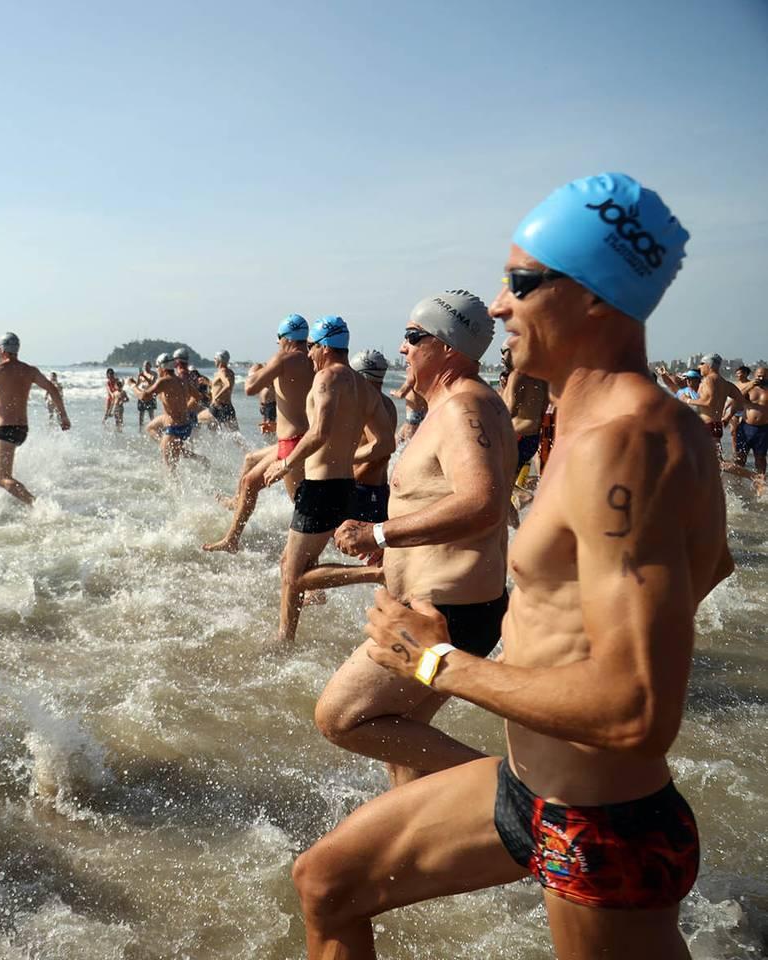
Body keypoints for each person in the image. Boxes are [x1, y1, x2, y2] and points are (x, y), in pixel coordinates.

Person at [294, 173, 724, 960]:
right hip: (527, 784)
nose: (498, 308)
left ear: (594, 296)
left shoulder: (624, 441)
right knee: (327, 884)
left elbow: (636, 713)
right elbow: (714, 562)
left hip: (599, 823)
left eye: (520, 284)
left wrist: (433, 662)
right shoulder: (613, 421)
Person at [315, 294, 514, 788]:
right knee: (401, 736)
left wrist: (379, 531)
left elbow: (483, 503)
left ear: (446, 346)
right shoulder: (459, 405)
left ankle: (510, 786)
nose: (402, 350)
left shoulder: (463, 408)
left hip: (445, 613)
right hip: (451, 608)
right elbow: (460, 501)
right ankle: (414, 844)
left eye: (411, 337)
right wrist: (398, 544)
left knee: (342, 718)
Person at [265, 317, 392, 644]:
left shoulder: (325, 379)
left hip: (320, 488)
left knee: (294, 575)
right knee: (290, 566)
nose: (308, 355)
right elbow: (385, 443)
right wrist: (349, 457)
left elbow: (319, 432)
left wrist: (286, 462)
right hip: (346, 486)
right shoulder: (363, 386)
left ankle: (377, 573)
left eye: (311, 348)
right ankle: (286, 636)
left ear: (323, 346)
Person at [291, 349, 398, 596]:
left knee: (307, 546)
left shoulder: (366, 401)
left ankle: (313, 590)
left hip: (361, 487)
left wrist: (345, 461)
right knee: (370, 552)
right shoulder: (386, 404)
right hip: (378, 491)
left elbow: (380, 452)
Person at [203, 316, 314, 553]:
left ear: (285, 338)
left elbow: (250, 388)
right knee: (250, 459)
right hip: (305, 438)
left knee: (301, 508)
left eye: (278, 341)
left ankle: (233, 540)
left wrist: (257, 370)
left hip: (292, 444)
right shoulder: (315, 358)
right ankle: (236, 503)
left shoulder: (283, 358)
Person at [0, 332, 70, 506]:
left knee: (3, 479)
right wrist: (63, 416)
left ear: (2, 350)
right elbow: (53, 389)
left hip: (6, 430)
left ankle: (38, 506)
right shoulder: (30, 370)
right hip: (21, 430)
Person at [137, 353, 208, 473]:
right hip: (186, 425)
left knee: (170, 468)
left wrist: (133, 385)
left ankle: (178, 490)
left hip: (175, 427)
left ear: (162, 367)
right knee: (150, 428)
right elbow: (199, 396)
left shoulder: (164, 381)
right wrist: (184, 408)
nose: (157, 370)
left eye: (157, 367)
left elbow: (144, 396)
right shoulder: (182, 381)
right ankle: (199, 458)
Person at [501, 345, 548, 487]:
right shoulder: (542, 377)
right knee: (510, 484)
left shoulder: (517, 375)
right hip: (532, 439)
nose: (502, 357)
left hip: (517, 436)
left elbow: (509, 410)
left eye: (504, 352)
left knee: (502, 484)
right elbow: (544, 406)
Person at [680, 352, 744, 450]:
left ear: (708, 365)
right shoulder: (725, 383)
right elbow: (740, 400)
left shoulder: (708, 380)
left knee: (703, 459)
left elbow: (709, 402)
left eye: (701, 363)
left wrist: (687, 400)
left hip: (706, 425)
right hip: (716, 425)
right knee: (715, 459)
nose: (699, 366)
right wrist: (728, 416)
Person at [208, 351, 239, 431]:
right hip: (228, 407)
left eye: (215, 359)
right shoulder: (230, 372)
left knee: (198, 417)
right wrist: (207, 382)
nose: (214, 360)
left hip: (218, 406)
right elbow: (217, 386)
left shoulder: (222, 372)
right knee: (236, 436)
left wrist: (217, 397)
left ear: (219, 359)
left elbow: (227, 384)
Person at [133, 359, 158, 431]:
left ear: (150, 366)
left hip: (150, 394)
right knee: (141, 413)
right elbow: (137, 384)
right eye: (144, 366)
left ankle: (153, 428)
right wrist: (133, 382)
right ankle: (140, 428)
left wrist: (144, 376)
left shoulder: (154, 374)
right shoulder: (141, 374)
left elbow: (152, 384)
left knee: (151, 413)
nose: (146, 368)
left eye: (147, 366)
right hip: (142, 394)